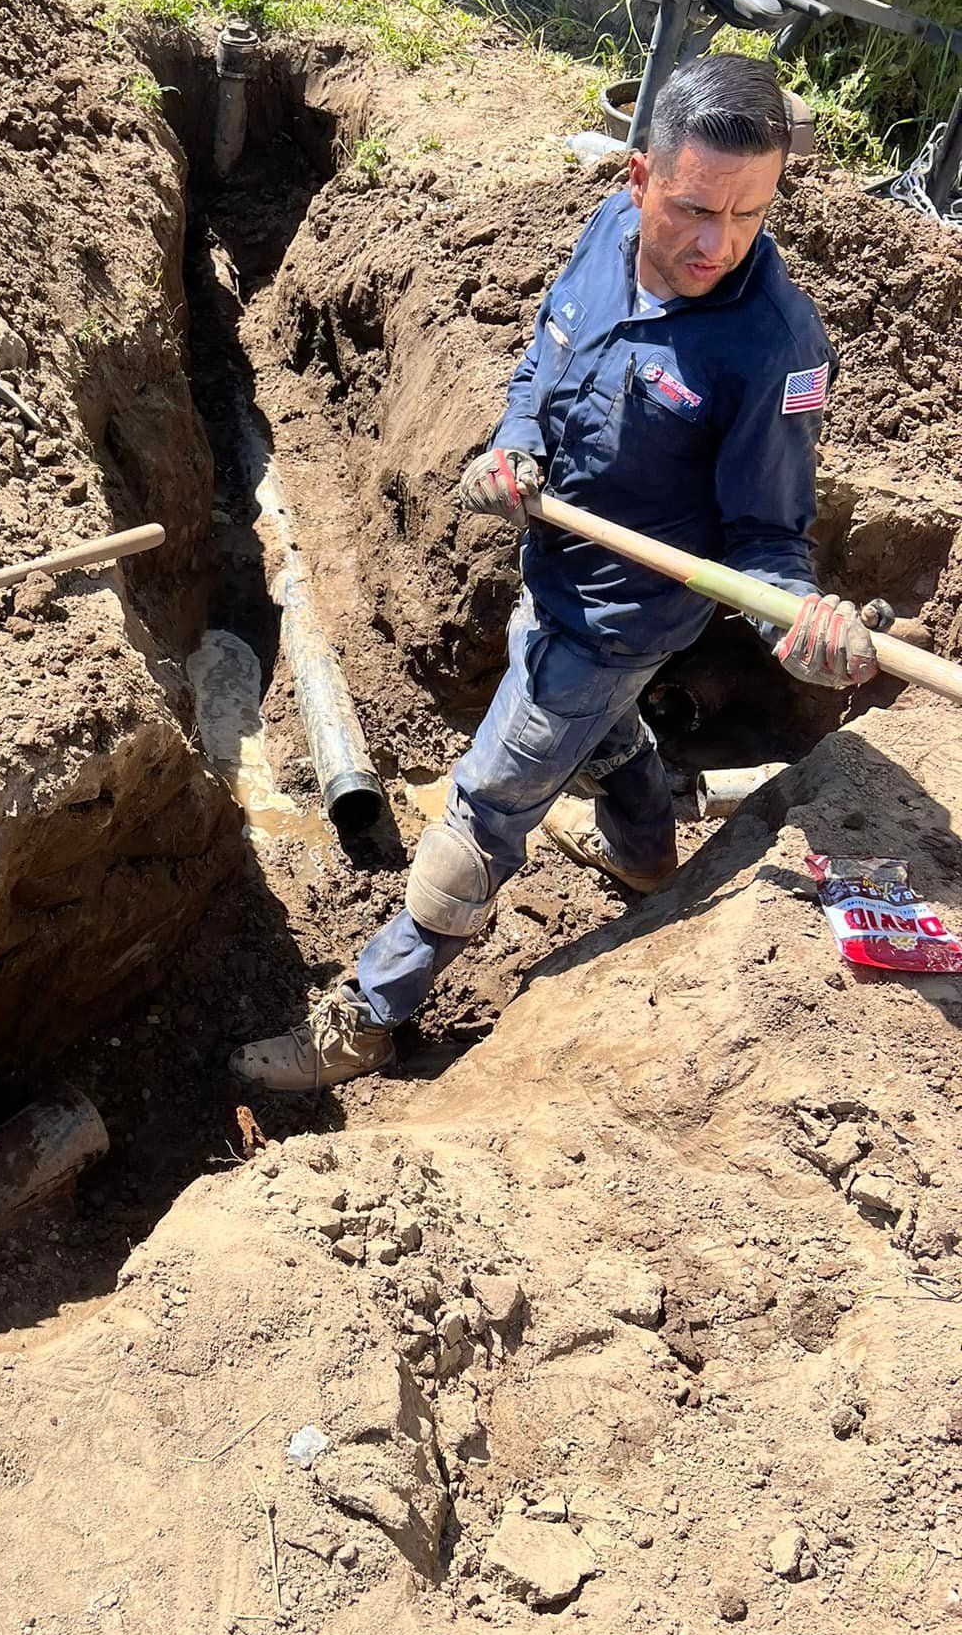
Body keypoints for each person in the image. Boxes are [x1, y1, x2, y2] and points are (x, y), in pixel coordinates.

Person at [233, 53, 878, 1094]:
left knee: (487, 802)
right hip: (555, 568)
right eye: (694, 209)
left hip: (621, 618)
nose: (718, 244)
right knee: (604, 726)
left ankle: (371, 1015)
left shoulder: (773, 348)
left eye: (751, 216)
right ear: (639, 178)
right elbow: (545, 357)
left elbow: (768, 533)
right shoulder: (605, 236)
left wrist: (800, 620)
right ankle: (644, 854)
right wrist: (518, 442)